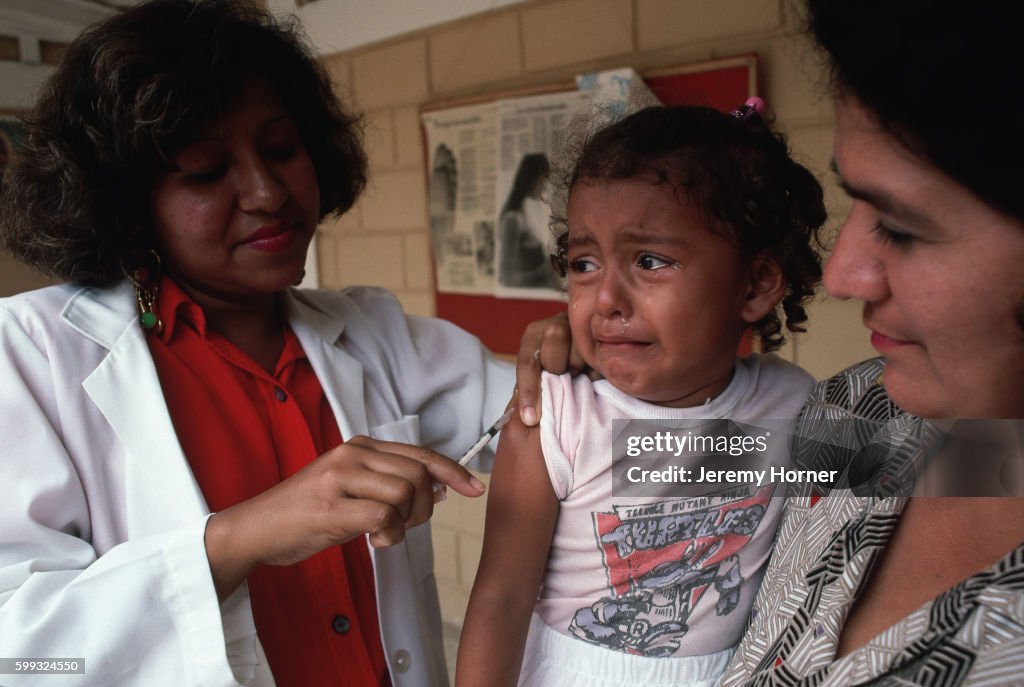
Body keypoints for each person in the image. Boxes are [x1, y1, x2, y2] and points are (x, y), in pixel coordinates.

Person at [0, 1, 518, 685]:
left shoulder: (374, 331)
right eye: (206, 170)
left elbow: (564, 427)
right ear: (129, 202)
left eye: (281, 150)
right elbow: (22, 655)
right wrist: (239, 538)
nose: (268, 192)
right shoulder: (29, 357)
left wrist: (584, 350)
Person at [457, 102, 826, 687]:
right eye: (583, 263)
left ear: (755, 284)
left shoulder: (795, 405)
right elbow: (500, 598)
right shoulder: (557, 416)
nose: (605, 300)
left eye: (650, 261)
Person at [715, 1, 1024, 684]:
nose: (841, 273)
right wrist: (599, 383)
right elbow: (668, 467)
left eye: (903, 226)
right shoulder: (857, 412)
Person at [497, 152, 560, 290]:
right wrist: (543, 271)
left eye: (547, 177)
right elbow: (508, 279)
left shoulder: (541, 209)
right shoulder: (513, 219)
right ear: (530, 179)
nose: (546, 183)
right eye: (542, 177)